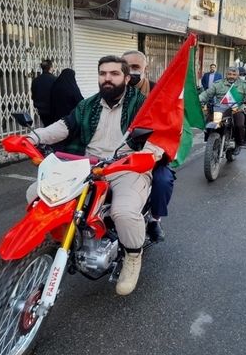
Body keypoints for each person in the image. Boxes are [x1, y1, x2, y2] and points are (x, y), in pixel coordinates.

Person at [27, 55, 160, 296]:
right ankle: (63, 238)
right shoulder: (88, 105)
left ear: (127, 78)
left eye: (114, 74)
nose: (107, 78)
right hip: (87, 165)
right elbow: (64, 126)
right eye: (103, 73)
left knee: (124, 212)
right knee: (36, 192)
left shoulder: (143, 104)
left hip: (126, 168)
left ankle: (132, 257)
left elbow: (157, 137)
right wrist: (34, 137)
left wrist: (148, 155)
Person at [122, 50, 170, 242]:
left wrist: (155, 152)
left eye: (136, 67)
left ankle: (154, 220)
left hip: (152, 150)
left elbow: (168, 125)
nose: (131, 71)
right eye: (127, 67)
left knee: (163, 181)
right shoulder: (114, 89)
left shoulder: (158, 92)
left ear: (145, 69)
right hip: (118, 151)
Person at [199, 67, 246, 154]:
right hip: (220, 109)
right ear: (226, 74)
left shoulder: (244, 84)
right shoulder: (218, 84)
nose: (231, 76)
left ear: (237, 75)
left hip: (236, 109)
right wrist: (199, 99)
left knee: (239, 125)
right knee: (208, 122)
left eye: (234, 75)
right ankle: (210, 140)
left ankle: (238, 143)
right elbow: (207, 94)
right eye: (229, 74)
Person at [31, 59, 57, 126]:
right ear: (51, 67)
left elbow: (33, 95)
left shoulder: (35, 80)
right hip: (53, 110)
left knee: (47, 126)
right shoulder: (55, 79)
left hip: (41, 110)